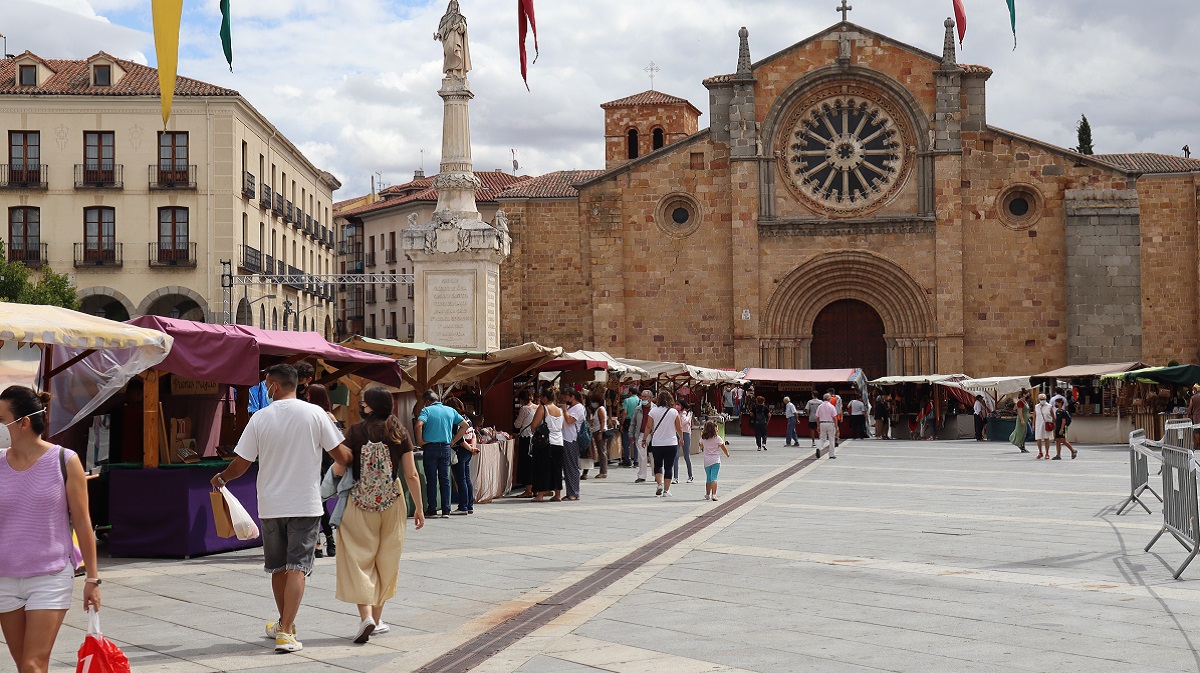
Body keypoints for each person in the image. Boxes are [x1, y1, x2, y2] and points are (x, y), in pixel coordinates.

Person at [212, 364, 351, 653]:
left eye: (266, 384)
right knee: (298, 567)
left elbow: (242, 463)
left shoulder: (260, 418)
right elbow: (341, 455)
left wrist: (222, 477)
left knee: (278, 567)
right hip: (305, 503)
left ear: (274, 386)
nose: (266, 389)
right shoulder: (315, 414)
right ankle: (286, 630)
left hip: (271, 504)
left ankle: (284, 625)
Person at [0, 387, 100, 673]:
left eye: (1, 419)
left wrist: (92, 579)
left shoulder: (65, 460)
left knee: (33, 665)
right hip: (5, 579)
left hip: (50, 577)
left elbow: (82, 521)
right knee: (25, 667)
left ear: (23, 423)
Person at [327, 386, 425, 644]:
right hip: (392, 502)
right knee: (387, 560)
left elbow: (339, 468)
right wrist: (419, 507)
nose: (362, 405)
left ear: (371, 406)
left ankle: (366, 617)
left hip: (359, 502)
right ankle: (378, 620)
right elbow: (411, 474)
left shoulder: (356, 431)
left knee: (358, 558)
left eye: (364, 402)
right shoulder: (399, 431)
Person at [306, 384, 340, 559]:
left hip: (319, 463)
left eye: (309, 395)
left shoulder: (319, 415)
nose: (306, 397)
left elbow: (336, 441)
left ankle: (324, 541)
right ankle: (326, 540)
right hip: (319, 463)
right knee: (318, 504)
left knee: (319, 504)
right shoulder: (325, 415)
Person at [641, 390, 683, 497]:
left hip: (657, 443)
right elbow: (679, 427)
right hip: (671, 443)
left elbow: (648, 426)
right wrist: (681, 438)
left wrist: (644, 439)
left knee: (658, 465)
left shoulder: (653, 411)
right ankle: (666, 491)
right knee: (668, 467)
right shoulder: (674, 412)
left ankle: (659, 484)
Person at [529, 388, 564, 502]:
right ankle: (557, 494)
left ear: (544, 398)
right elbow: (562, 426)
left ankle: (540, 495)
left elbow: (534, 425)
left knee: (542, 467)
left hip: (546, 442)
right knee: (557, 468)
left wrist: (536, 430)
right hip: (559, 442)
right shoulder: (560, 410)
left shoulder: (543, 408)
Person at [446, 398, 478, 515]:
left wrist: (469, 448)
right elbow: (473, 435)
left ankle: (463, 506)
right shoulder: (467, 419)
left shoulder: (456, 421)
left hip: (460, 451)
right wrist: (472, 448)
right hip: (467, 452)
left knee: (461, 480)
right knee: (467, 479)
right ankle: (469, 505)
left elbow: (459, 439)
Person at [558, 389, 585, 501]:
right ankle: (570, 492)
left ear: (572, 397)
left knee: (571, 467)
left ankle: (574, 493)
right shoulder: (571, 407)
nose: (564, 399)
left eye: (566, 397)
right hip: (565, 438)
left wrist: (564, 410)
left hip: (571, 439)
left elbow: (569, 420)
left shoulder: (579, 408)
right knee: (567, 467)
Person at [513, 390, 537, 497]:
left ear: (521, 399)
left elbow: (517, 424)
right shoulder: (537, 407)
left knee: (526, 464)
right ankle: (534, 488)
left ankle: (528, 490)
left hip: (526, 438)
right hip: (535, 438)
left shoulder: (524, 409)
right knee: (533, 464)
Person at [699, 421, 731, 501]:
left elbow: (700, 445)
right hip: (716, 460)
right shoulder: (717, 438)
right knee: (714, 477)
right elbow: (723, 447)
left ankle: (707, 494)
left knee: (708, 478)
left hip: (707, 461)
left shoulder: (703, 438)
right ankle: (714, 494)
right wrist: (727, 454)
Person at [632, 390, 653, 483]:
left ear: (650, 398)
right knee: (642, 455)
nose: (643, 399)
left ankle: (656, 474)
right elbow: (633, 422)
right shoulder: (638, 409)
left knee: (653, 455)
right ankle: (642, 476)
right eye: (642, 396)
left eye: (645, 397)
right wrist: (631, 434)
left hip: (652, 434)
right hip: (641, 433)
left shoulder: (655, 409)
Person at [589, 391, 609, 479]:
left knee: (602, 451)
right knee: (601, 451)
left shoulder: (600, 409)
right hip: (596, 431)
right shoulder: (597, 410)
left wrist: (600, 432)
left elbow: (603, 421)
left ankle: (603, 471)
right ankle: (603, 470)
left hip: (600, 431)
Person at [674, 401, 695, 483]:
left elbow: (683, 422)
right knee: (675, 456)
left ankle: (690, 476)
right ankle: (675, 477)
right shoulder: (675, 413)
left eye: (678, 404)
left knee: (686, 456)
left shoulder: (686, 413)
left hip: (685, 434)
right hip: (676, 434)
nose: (677, 406)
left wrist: (687, 415)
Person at [620, 389, 640, 467]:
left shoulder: (627, 400)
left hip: (628, 421)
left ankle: (627, 460)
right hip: (637, 422)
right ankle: (636, 460)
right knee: (636, 442)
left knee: (626, 441)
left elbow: (624, 412)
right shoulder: (640, 401)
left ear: (630, 393)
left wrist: (621, 423)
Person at [816, 393, 838, 459]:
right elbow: (834, 417)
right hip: (830, 423)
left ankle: (818, 447)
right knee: (831, 439)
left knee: (822, 438)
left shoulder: (820, 406)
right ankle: (831, 454)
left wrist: (818, 426)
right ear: (829, 399)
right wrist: (836, 426)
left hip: (822, 423)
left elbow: (817, 417)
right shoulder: (831, 406)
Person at [1033, 393, 1055, 459]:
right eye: (1041, 399)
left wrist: (1053, 424)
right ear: (1038, 399)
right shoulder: (1036, 406)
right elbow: (1034, 416)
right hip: (1038, 424)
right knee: (1038, 438)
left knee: (1046, 438)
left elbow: (1053, 416)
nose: (1042, 400)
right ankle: (1040, 452)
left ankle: (1047, 453)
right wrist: (1033, 425)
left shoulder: (1049, 406)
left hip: (1046, 424)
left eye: (1044, 399)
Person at [1009, 389, 1030, 453]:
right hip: (1022, 418)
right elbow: (1020, 412)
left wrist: (1028, 418)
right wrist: (1022, 419)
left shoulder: (1025, 402)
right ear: (1024, 394)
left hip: (1025, 418)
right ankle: (1020, 445)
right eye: (1027, 394)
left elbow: (1027, 411)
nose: (1028, 395)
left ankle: (1022, 446)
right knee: (1020, 432)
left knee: (1024, 433)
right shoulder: (1020, 402)